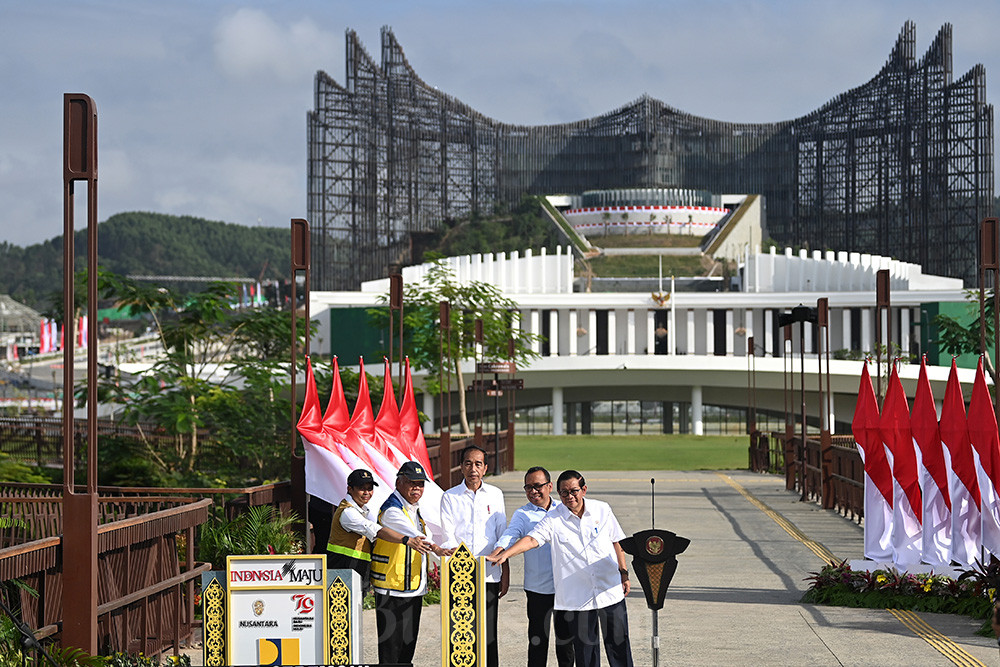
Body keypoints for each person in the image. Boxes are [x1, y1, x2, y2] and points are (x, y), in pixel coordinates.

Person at [488, 470, 634, 667]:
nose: (569, 496)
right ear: (558, 492)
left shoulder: (602, 509)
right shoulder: (553, 519)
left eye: (574, 491)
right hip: (578, 596)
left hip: (609, 588)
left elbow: (617, 541)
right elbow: (531, 539)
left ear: (584, 490)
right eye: (564, 493)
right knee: (585, 653)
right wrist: (505, 554)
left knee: (619, 646)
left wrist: (623, 572)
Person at [491, 466, 574, 667]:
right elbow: (511, 533)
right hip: (537, 588)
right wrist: (499, 549)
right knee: (537, 642)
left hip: (565, 587)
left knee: (566, 643)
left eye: (537, 486)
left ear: (549, 486)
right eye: (528, 487)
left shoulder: (563, 509)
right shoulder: (523, 514)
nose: (533, 491)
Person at [371, 461, 449, 665]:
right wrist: (438, 549)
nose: (417, 488)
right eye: (411, 483)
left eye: (420, 484)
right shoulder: (392, 510)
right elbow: (414, 535)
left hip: (412, 587)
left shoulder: (413, 508)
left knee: (408, 645)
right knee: (390, 650)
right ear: (399, 483)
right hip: (392, 588)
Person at [440, 445, 509, 667]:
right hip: (460, 576)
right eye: (468, 463)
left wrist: (504, 570)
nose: (473, 468)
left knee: (488, 630)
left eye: (478, 464)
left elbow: (502, 535)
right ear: (461, 467)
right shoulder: (450, 497)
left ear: (486, 468)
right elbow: (448, 537)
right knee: (461, 631)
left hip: (489, 573)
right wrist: (461, 567)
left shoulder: (496, 495)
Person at [326, 468, 431, 590]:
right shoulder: (348, 513)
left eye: (370, 488)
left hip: (354, 569)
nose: (367, 492)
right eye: (362, 488)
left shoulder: (359, 510)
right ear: (350, 489)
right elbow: (376, 531)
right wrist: (407, 540)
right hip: (343, 570)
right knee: (344, 607)